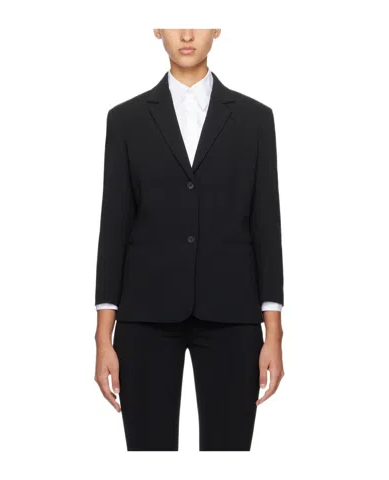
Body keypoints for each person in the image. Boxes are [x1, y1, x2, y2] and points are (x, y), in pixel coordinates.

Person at [94, 29, 285, 451]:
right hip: (145, 317)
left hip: (232, 315)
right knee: (149, 455)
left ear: (217, 27)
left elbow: (266, 226)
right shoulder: (125, 120)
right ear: (156, 29)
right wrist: (102, 338)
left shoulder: (255, 119)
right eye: (174, 20)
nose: (185, 34)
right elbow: (114, 227)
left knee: (228, 455)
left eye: (198, 20)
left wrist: (274, 333)